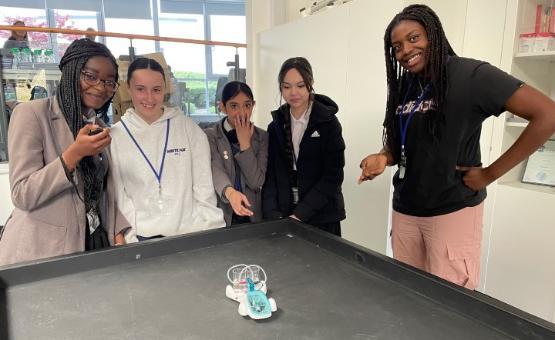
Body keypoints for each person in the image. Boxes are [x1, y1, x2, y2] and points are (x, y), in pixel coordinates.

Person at [358, 4, 555, 290]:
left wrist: (490, 174)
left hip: (451, 211)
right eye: (397, 46)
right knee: (407, 296)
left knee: (449, 306)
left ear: (433, 34)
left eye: (414, 38)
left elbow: (547, 115)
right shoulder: (405, 86)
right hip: (406, 211)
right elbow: (401, 139)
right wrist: (384, 156)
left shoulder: (471, 75)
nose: (405, 51)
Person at [0, 38, 128, 266]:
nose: (100, 87)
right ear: (72, 71)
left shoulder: (98, 124)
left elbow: (102, 190)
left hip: (92, 242)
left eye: (109, 82)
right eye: (90, 76)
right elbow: (22, 194)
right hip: (43, 252)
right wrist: (72, 155)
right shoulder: (32, 114)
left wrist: (117, 230)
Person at [110, 57, 224, 243]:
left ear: (165, 89)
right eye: (140, 89)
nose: (149, 98)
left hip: (189, 234)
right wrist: (130, 239)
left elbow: (204, 189)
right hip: (141, 238)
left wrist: (209, 231)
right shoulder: (115, 136)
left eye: (156, 90)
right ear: (128, 88)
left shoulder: (188, 129)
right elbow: (120, 197)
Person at [263, 57, 346, 236]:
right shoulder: (275, 126)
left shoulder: (328, 122)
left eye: (300, 86)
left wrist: (301, 214)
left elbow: (333, 176)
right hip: (286, 216)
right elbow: (271, 176)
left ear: (311, 84)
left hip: (322, 215)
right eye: (286, 87)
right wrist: (272, 216)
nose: (293, 92)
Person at [205, 81, 268, 226]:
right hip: (222, 214)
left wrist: (245, 144)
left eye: (247, 105)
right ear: (222, 106)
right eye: (234, 106)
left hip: (252, 215)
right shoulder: (210, 136)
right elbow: (216, 171)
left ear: (253, 105)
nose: (241, 112)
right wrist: (230, 193)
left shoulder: (262, 137)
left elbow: (256, 182)